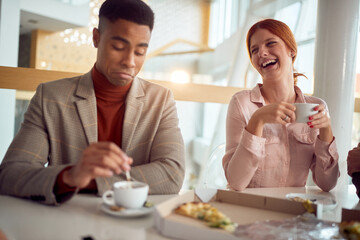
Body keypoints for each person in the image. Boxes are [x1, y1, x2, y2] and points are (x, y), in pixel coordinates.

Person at [0, 0, 185, 205]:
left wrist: (92, 180)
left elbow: (172, 174)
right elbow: (10, 174)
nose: (130, 61)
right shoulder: (50, 97)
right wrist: (70, 176)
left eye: (140, 52)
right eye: (118, 47)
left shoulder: (161, 101)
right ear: (96, 38)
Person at [223, 19, 339, 192]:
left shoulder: (316, 107)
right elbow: (236, 182)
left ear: (291, 51)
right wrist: (258, 119)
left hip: (293, 211)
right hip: (250, 208)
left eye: (270, 43)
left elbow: (327, 184)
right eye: (254, 50)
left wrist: (326, 130)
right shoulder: (241, 103)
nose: (262, 53)